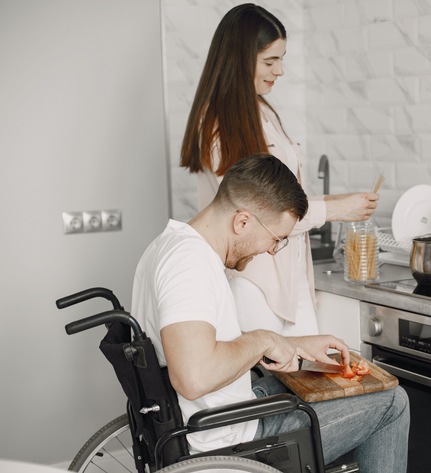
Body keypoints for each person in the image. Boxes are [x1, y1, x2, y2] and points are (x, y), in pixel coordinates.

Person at [131, 154, 409, 472]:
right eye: (276, 239)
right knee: (392, 402)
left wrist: (291, 343)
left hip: (222, 417)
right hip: (229, 446)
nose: (270, 250)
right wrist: (263, 340)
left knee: (313, 382)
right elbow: (194, 378)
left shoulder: (170, 246)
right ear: (243, 222)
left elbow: (203, 349)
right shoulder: (189, 265)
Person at [180, 3, 379, 336]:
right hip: (254, 281)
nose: (280, 70)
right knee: (279, 382)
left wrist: (335, 200)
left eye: (281, 59)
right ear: (239, 59)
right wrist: (334, 209)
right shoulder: (218, 124)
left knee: (304, 379)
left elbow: (281, 194)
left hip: (290, 278)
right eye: (270, 61)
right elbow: (260, 210)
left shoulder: (263, 112)